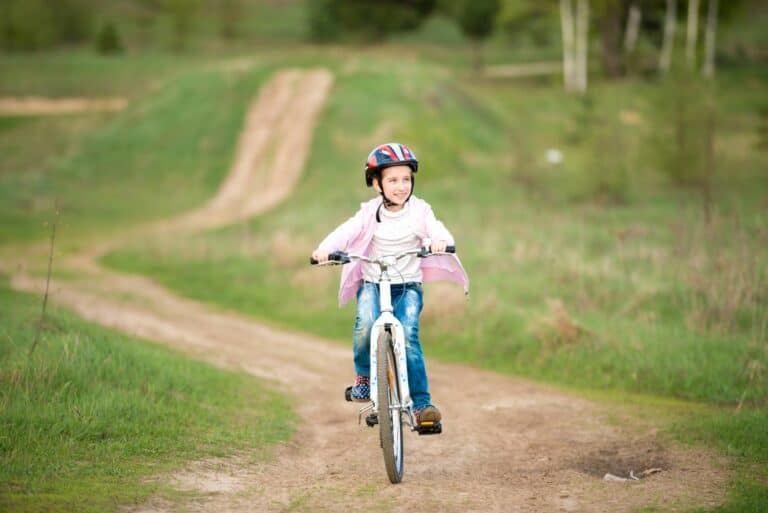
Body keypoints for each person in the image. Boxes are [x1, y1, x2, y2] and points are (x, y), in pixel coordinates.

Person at [311, 142, 469, 426]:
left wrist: (439, 240)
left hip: (407, 286)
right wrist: (324, 249)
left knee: (408, 336)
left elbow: (436, 228)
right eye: (392, 180)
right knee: (364, 326)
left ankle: (422, 406)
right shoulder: (369, 213)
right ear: (376, 184)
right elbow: (344, 232)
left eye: (406, 179)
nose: (401, 186)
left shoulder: (420, 211)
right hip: (373, 284)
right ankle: (364, 380)